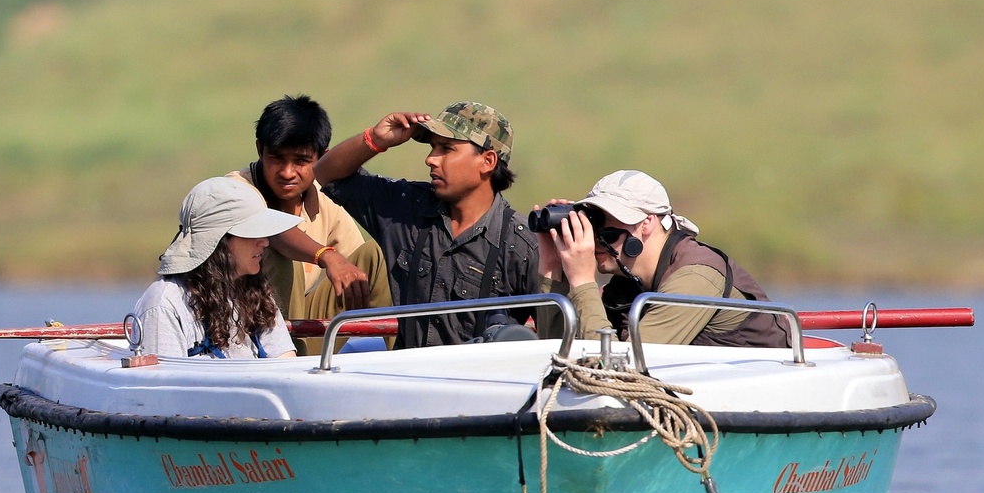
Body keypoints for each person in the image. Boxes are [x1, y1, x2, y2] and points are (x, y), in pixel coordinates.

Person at [313, 101, 539, 348]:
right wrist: (375, 139)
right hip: (411, 381)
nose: (431, 159)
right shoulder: (406, 209)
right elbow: (327, 174)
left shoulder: (521, 245)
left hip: (480, 384)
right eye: (433, 148)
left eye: (446, 149)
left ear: (488, 161)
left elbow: (560, 336)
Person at [534, 169, 790, 347]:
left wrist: (582, 281)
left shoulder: (696, 277)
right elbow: (562, 355)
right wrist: (552, 269)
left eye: (607, 228)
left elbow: (619, 372)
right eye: (592, 224)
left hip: (760, 407)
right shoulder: (626, 286)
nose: (595, 239)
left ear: (646, 223)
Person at [227, 95, 394, 354]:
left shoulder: (325, 197)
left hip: (302, 328)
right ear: (260, 150)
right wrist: (326, 255)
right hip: (241, 330)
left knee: (379, 254)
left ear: (322, 158)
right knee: (283, 256)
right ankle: (287, 358)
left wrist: (346, 268)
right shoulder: (236, 189)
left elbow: (354, 265)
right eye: (277, 158)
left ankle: (410, 358)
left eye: (301, 161)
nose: (287, 172)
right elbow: (278, 232)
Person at [132, 177, 303, 359]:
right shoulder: (164, 305)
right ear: (219, 241)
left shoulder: (256, 292)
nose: (265, 241)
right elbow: (163, 383)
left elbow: (285, 363)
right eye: (253, 232)